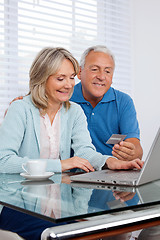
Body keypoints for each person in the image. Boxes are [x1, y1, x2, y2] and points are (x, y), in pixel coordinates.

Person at [0, 47, 143, 240]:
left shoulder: (73, 111)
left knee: (94, 230)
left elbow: (85, 151)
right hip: (17, 203)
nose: (68, 85)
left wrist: (111, 161)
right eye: (60, 78)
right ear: (42, 78)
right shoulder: (21, 109)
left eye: (71, 77)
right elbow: (4, 161)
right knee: (60, 234)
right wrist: (60, 165)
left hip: (60, 200)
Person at [71, 45, 143, 161]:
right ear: (79, 72)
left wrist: (132, 152)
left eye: (107, 71)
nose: (101, 77)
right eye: (94, 69)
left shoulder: (124, 101)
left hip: (111, 172)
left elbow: (136, 148)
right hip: (74, 174)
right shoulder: (66, 98)